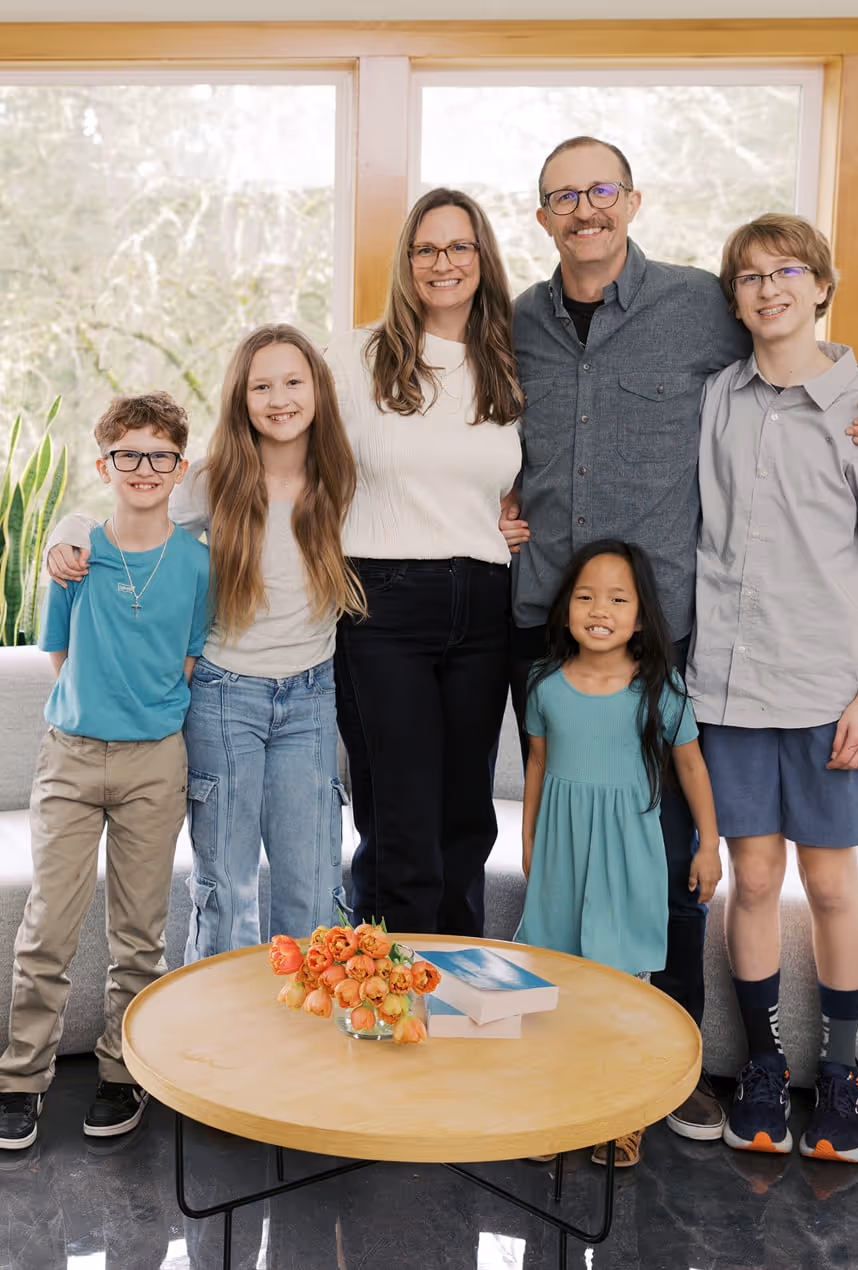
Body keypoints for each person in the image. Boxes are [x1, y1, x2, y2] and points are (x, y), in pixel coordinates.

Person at [501, 135, 858, 1141]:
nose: (585, 208)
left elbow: (813, 364)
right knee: (578, 852)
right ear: (542, 215)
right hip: (547, 625)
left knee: (678, 865)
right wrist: (491, 504)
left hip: (671, 644)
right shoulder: (513, 322)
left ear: (633, 199)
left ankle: (670, 1064)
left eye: (602, 189)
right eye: (563, 195)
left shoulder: (699, 303)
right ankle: (560, 1059)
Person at [687, 212, 858, 1163]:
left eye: (787, 271)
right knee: (754, 880)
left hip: (827, 692)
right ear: (734, 301)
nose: (768, 288)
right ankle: (765, 1068)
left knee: (827, 881)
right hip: (727, 688)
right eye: (749, 277)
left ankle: (844, 1073)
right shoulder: (716, 397)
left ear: (822, 286)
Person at [43, 324, 363, 961]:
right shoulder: (213, 480)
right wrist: (68, 527)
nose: (279, 399)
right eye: (261, 386)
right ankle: (216, 1021)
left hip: (311, 697)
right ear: (240, 397)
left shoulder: (345, 477)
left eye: (293, 382)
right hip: (224, 698)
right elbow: (130, 511)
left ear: (319, 390)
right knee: (225, 889)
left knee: (314, 884)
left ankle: (306, 1016)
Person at [0, 392, 210, 1149]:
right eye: (128, 455)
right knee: (47, 927)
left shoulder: (197, 564)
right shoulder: (75, 557)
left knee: (139, 933)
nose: (144, 468)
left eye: (160, 456)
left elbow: (188, 660)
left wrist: (141, 718)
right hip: (72, 757)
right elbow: (58, 654)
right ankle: (21, 1079)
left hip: (155, 763)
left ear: (179, 469)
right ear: (104, 465)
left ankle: (124, 1073)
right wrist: (95, 714)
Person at [328, 187, 522, 936]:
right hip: (384, 605)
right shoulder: (356, 358)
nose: (445, 263)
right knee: (402, 819)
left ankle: (456, 976)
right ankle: (389, 989)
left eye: (460, 246)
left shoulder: (507, 361)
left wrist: (510, 519)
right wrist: (110, 517)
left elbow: (509, 480)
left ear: (482, 258)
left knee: (466, 819)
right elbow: (268, 448)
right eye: (427, 249)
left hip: (485, 602)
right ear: (407, 263)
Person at [516, 539, 721, 1168]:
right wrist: (529, 841)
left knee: (621, 993)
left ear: (640, 616)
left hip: (629, 856)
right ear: (565, 608)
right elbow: (537, 765)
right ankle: (554, 1109)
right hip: (562, 855)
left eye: (617, 599)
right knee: (553, 985)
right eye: (585, 596)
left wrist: (709, 846)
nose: (599, 609)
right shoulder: (544, 684)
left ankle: (622, 1114)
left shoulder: (660, 688)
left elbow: (692, 767)